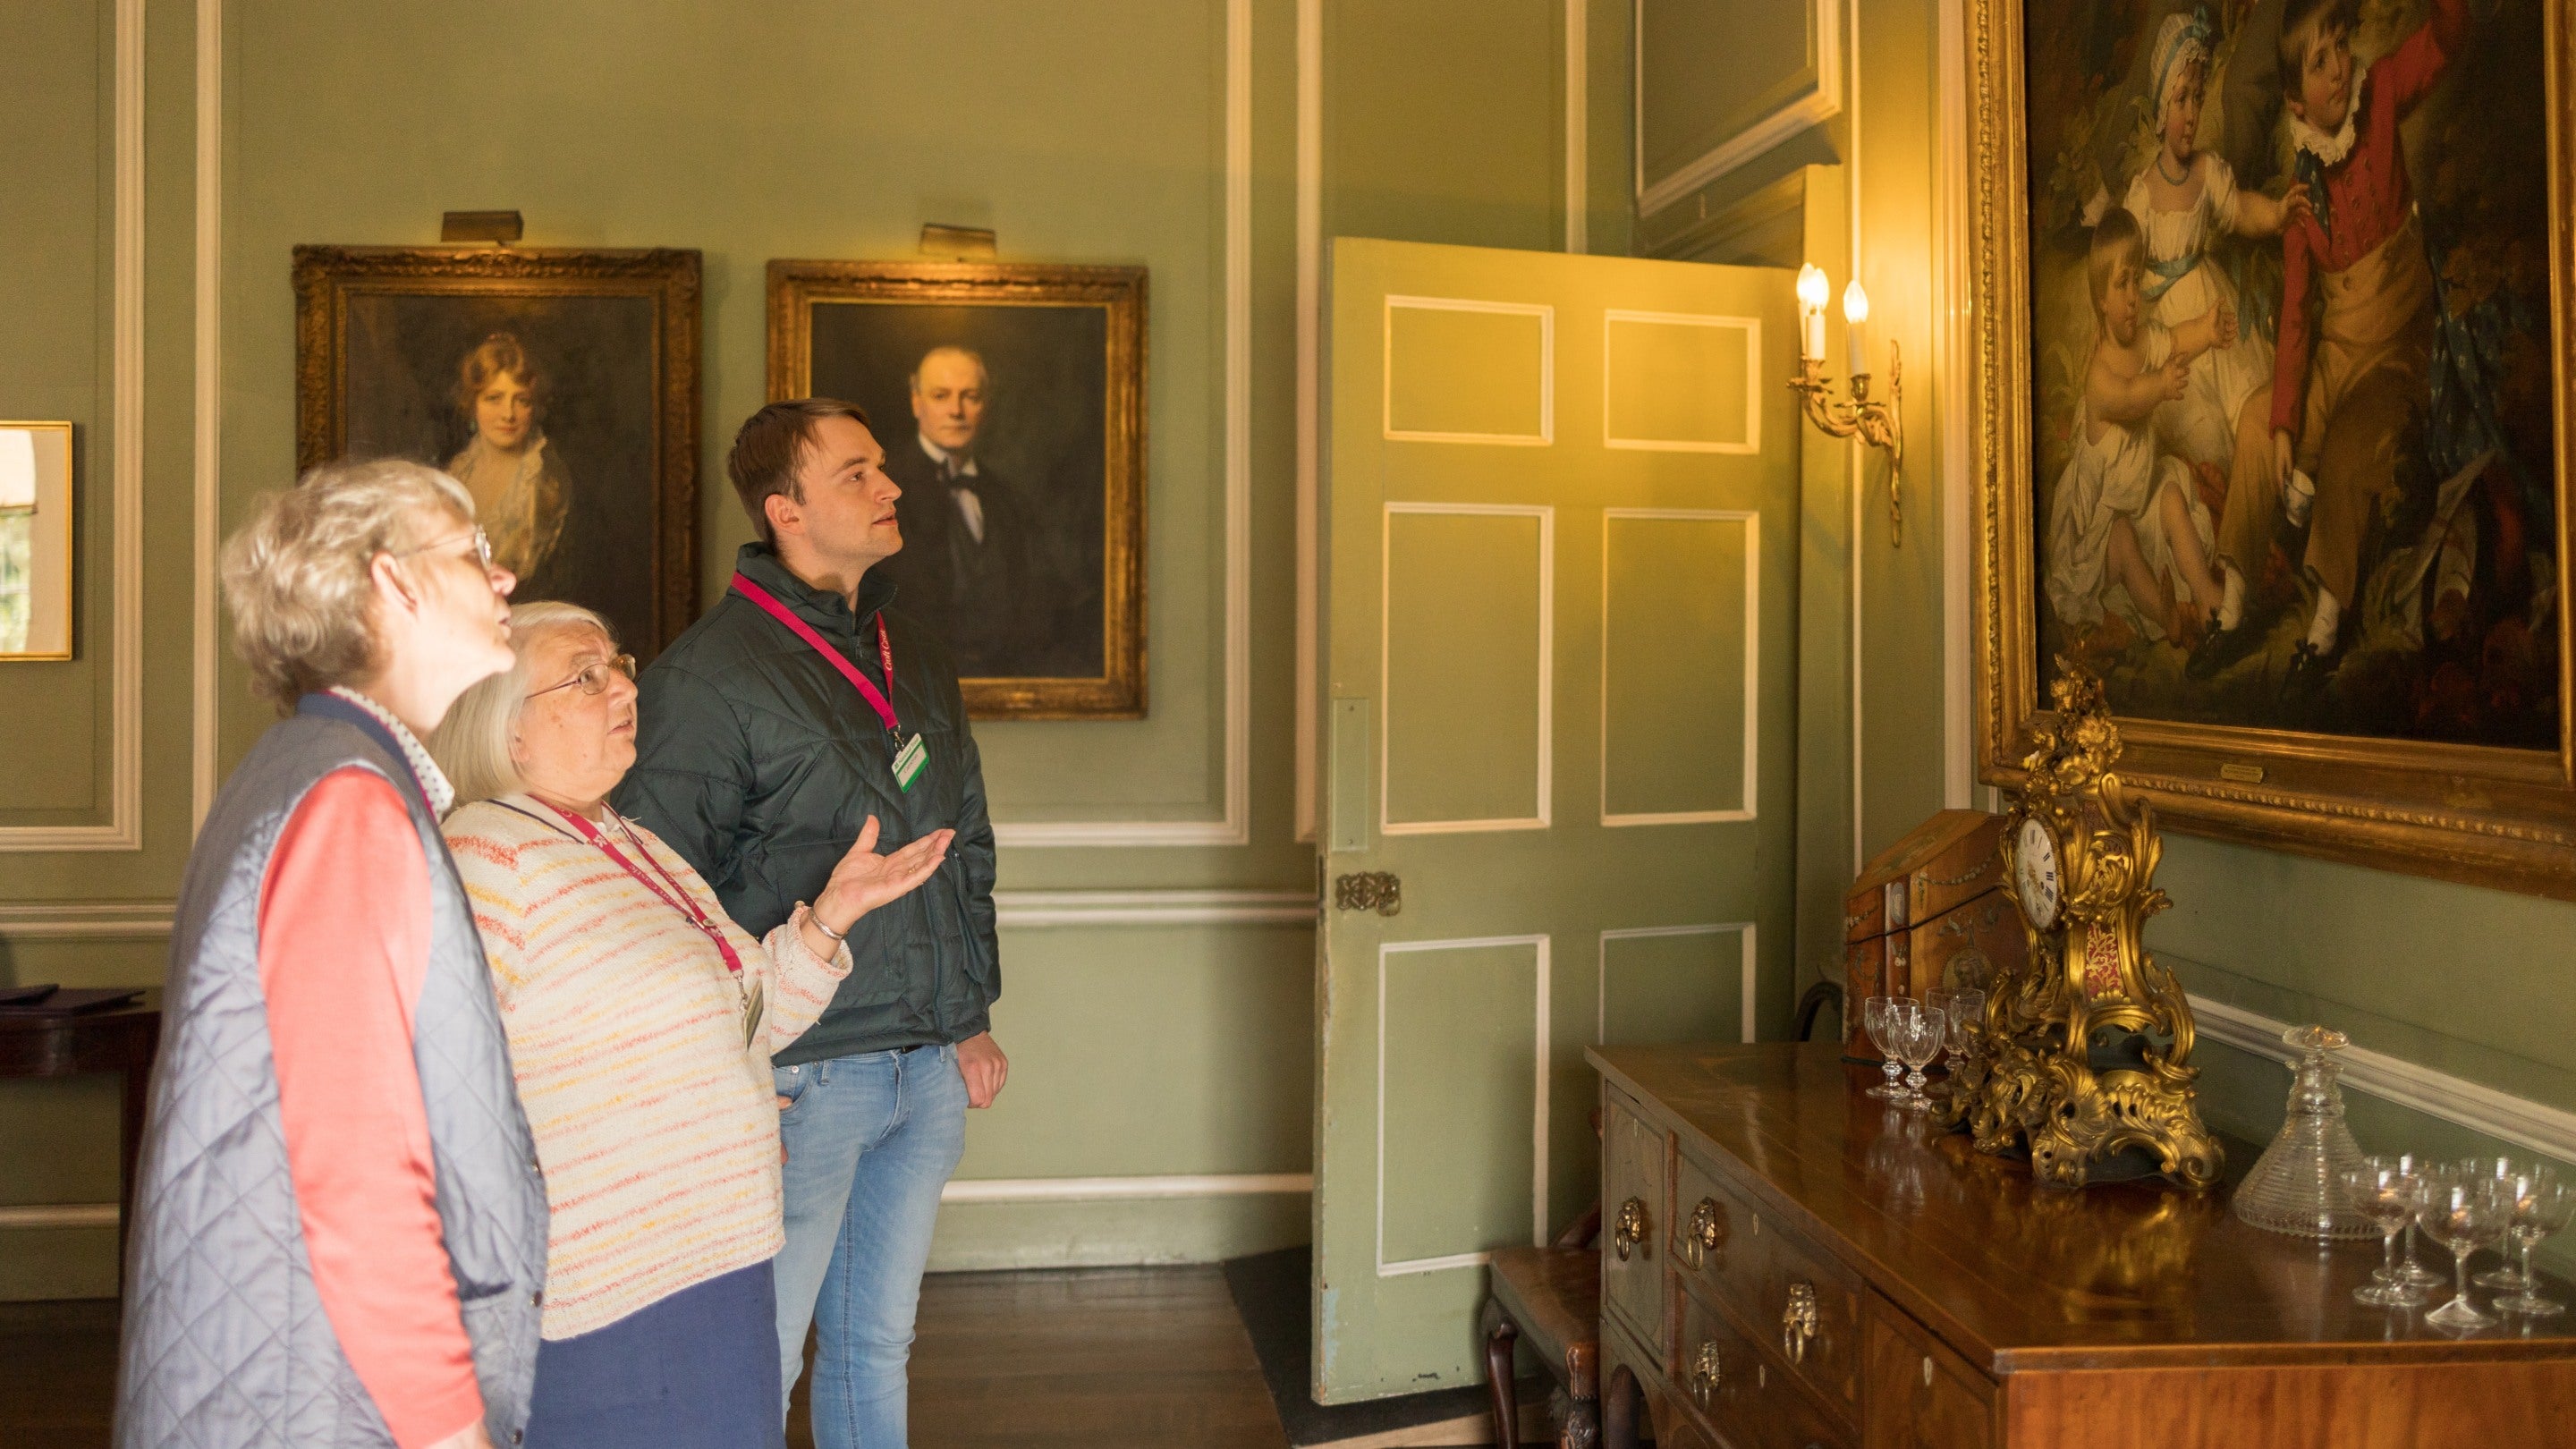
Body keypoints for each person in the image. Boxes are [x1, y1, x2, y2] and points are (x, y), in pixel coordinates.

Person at [430, 603, 953, 1449]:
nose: (623, 688)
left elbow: (746, 1023)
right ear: (507, 728)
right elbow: (435, 1098)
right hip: (610, 1286)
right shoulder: (486, 859)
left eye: (618, 665)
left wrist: (833, 913)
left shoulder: (632, 841)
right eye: (584, 676)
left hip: (724, 1260)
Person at [116, 460, 541, 1449]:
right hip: (320, 1395)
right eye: (474, 552)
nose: (505, 575)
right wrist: (451, 1430)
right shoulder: (349, 800)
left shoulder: (304, 769)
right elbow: (358, 1175)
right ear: (392, 581)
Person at [613, 398, 1007, 1449]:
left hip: (925, 1067)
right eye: (856, 473)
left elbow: (963, 838)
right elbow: (662, 904)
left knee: (877, 1348)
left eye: (884, 466)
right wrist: (717, 1093)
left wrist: (967, 1016)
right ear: (785, 510)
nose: (891, 486)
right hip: (797, 1083)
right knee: (764, 1359)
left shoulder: (912, 650)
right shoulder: (706, 678)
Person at [2205, 0, 2470, 691]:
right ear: (2294, 99)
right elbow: (2297, 320)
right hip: (2334, 356)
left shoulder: (2378, 96)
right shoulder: (2301, 196)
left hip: (2395, 350)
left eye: (2339, 48)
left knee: (2353, 447)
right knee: (2257, 423)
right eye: (2319, 63)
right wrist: (2284, 422)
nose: (2338, 69)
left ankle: (2324, 627)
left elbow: (2445, 40)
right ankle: (2231, 611)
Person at [2111, 11, 2310, 665]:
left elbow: (2241, 210)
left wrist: (2277, 213)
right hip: (2174, 334)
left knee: (2248, 403)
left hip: (2216, 310)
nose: (2191, 114)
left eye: (2198, 99)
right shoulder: (2141, 196)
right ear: (2159, 109)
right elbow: (2124, 280)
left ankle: (2275, 518)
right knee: (2201, 438)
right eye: (2180, 101)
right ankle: (2229, 559)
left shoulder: (2208, 174)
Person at [2047, 207, 2238, 648]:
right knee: (2123, 540)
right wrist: (2161, 385)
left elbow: (2176, 340)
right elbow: (2131, 397)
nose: (2133, 296)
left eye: (2137, 280)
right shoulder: (2100, 377)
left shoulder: (2143, 339)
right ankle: (2165, 614)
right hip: (2100, 527)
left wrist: (2207, 332)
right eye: (2121, 284)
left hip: (2138, 496)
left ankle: (2209, 598)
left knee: (2171, 496)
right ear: (2101, 299)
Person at [875, 345, 1046, 676]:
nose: (956, 411)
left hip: (1000, 678)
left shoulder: (1006, 498)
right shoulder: (883, 488)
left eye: (970, 397)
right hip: (912, 677)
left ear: (987, 405)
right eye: (940, 396)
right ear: (916, 402)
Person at [447, 333, 569, 581]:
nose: (508, 414)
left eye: (521, 400)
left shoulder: (545, 483)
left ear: (534, 407)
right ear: (473, 404)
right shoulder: (458, 474)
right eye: (494, 398)